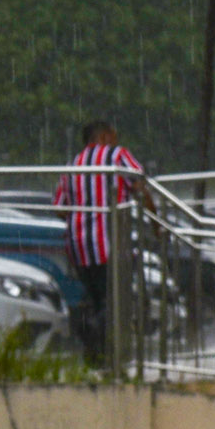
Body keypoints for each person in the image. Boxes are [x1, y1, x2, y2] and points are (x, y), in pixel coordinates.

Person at [53, 118, 146, 364]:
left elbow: (60, 208)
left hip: (79, 245)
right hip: (109, 244)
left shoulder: (73, 164)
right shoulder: (118, 156)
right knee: (116, 299)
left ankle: (97, 356)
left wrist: (84, 211)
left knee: (96, 299)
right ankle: (93, 332)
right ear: (105, 136)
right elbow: (139, 184)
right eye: (113, 137)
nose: (116, 141)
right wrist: (154, 221)